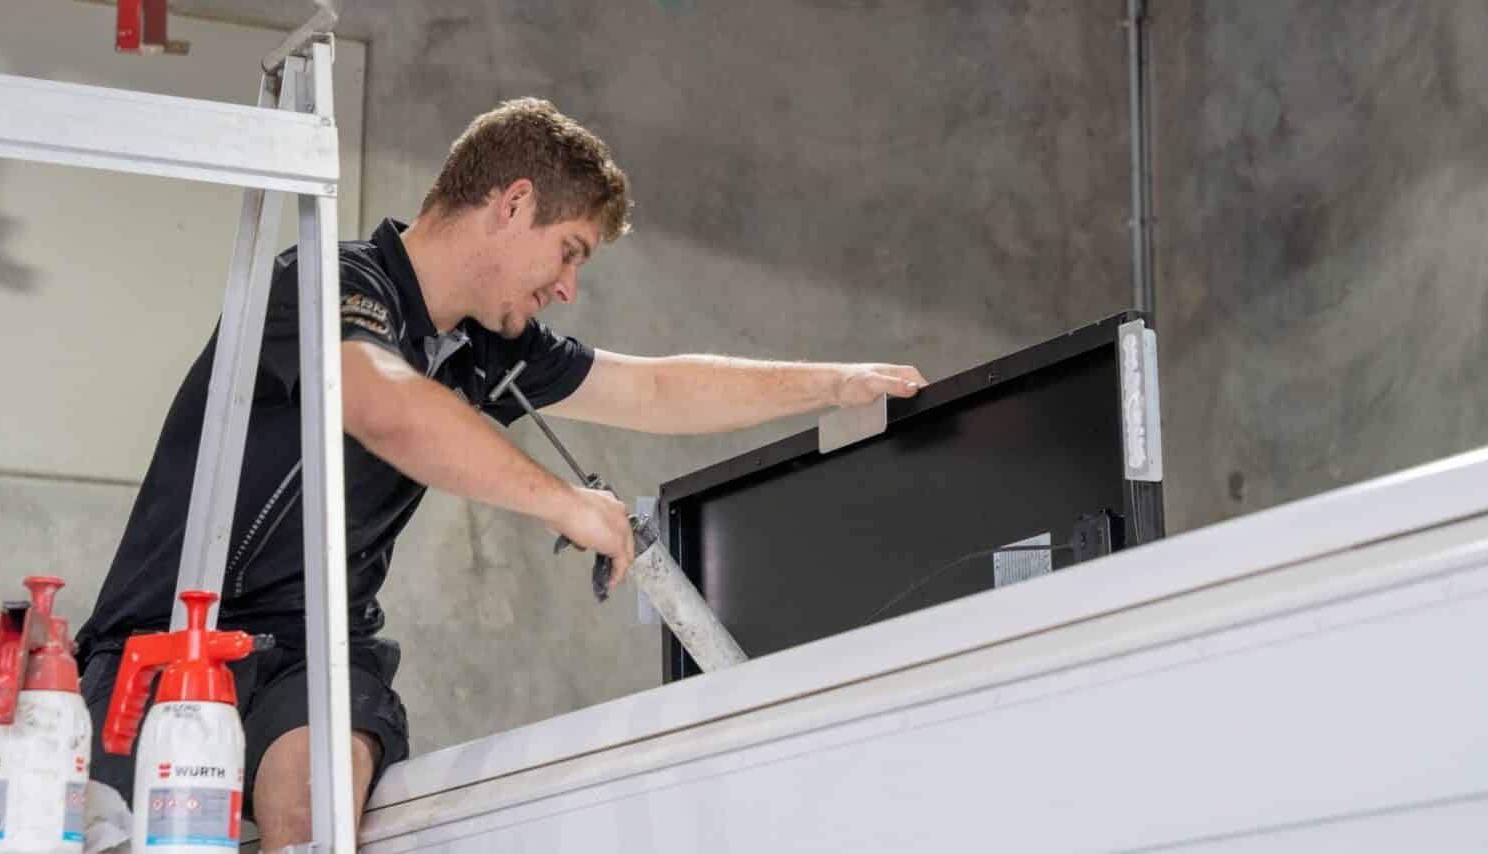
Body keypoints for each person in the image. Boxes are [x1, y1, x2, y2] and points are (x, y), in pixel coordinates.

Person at [74, 97, 925, 844]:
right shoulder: (328, 280)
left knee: (311, 819)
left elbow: (655, 386)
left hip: (314, 650)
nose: (567, 288)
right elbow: (380, 400)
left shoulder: (488, 348)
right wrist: (562, 503)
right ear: (513, 204)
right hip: (167, 633)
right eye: (570, 252)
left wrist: (834, 383)